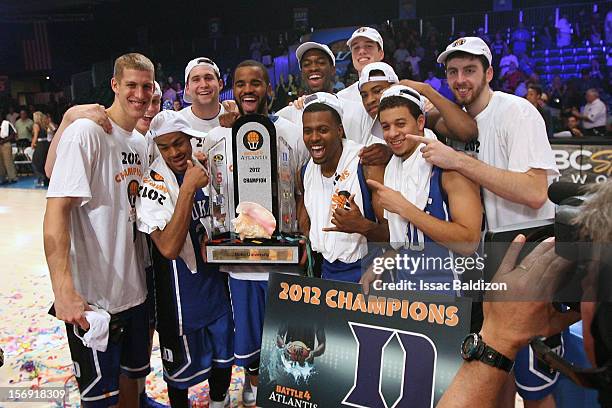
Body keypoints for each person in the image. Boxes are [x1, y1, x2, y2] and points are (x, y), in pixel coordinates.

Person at [433, 36, 561, 407]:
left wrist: (458, 160)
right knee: (493, 366)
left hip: (531, 242)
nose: (461, 79)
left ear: (489, 73)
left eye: (470, 70)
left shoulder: (516, 112)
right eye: (453, 72)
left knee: (535, 377)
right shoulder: (460, 122)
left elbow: (536, 191)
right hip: (489, 248)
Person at [43, 52, 154, 407]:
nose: (140, 93)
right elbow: (56, 212)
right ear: (114, 85)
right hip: (94, 298)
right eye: (131, 85)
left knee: (130, 386)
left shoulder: (139, 142)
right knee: (99, 400)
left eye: (147, 86)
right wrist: (63, 290)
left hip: (134, 292)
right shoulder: (86, 132)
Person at [206, 60, 308, 407]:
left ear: (269, 87)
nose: (248, 90)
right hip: (240, 264)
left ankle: (284, 391)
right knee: (249, 339)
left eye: (256, 83)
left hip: (284, 262)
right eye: (241, 83)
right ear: (232, 88)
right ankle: (252, 385)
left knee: (287, 337)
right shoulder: (216, 139)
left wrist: (305, 239)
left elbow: (303, 191)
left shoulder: (293, 133)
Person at [136, 110, 233, 408]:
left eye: (179, 143)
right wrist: (188, 189)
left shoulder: (205, 169)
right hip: (180, 299)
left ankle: (219, 401)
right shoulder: (153, 184)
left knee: (222, 357)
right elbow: (167, 247)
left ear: (191, 140)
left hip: (216, 286)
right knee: (178, 375)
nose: (174, 152)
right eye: (165, 147)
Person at [360, 85, 481, 294]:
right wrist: (381, 263)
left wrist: (405, 208)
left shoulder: (451, 169)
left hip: (450, 298)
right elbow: (408, 243)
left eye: (400, 124)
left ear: (420, 122)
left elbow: (469, 242)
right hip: (407, 293)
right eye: (386, 126)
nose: (392, 134)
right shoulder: (394, 169)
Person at [296, 93, 386, 282]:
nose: (314, 138)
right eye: (308, 131)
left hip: (369, 271)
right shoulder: (305, 172)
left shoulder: (366, 164)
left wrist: (363, 227)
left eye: (322, 130)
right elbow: (306, 223)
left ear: (339, 130)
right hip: (327, 271)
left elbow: (398, 235)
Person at [276, 41, 388, 165]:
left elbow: (374, 154)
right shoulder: (289, 114)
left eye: (321, 63)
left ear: (333, 69)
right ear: (302, 72)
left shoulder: (357, 110)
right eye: (307, 64)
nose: (313, 68)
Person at [180, 57, 228, 154]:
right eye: (196, 80)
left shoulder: (234, 117)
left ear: (220, 84)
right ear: (187, 88)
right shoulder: (177, 123)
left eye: (208, 78)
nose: (204, 85)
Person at [337, 27, 385, 103]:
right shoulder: (341, 99)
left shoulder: (398, 91)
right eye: (356, 48)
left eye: (368, 46)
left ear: (381, 54)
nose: (361, 51)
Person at [31, 111, 51, 187]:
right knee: (44, 161)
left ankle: (41, 179)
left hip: (40, 144)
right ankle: (46, 179)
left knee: (36, 162)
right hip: (46, 143)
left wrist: (33, 144)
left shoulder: (36, 125)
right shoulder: (45, 124)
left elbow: (35, 136)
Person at [0, 115, 17, 184]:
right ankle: (2, 178)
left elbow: (13, 134)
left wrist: (4, 140)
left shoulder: (6, 123)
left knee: (8, 161)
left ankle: (12, 177)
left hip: (6, 143)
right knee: (0, 163)